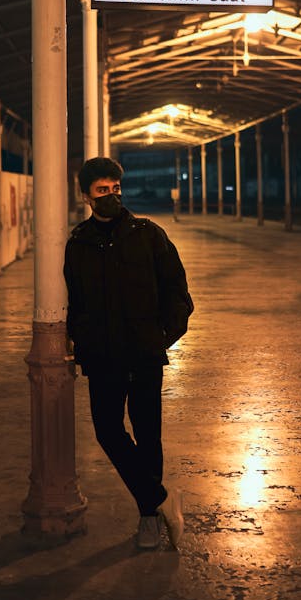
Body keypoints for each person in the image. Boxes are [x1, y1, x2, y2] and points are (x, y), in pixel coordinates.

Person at [64, 156, 194, 550]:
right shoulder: (79, 243)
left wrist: (160, 338)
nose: (112, 196)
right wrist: (79, 338)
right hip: (102, 357)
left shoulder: (148, 235)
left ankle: (148, 518)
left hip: (143, 356)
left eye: (116, 189)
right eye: (102, 190)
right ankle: (162, 499)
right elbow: (77, 300)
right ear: (86, 196)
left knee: (147, 435)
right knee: (107, 430)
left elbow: (178, 293)